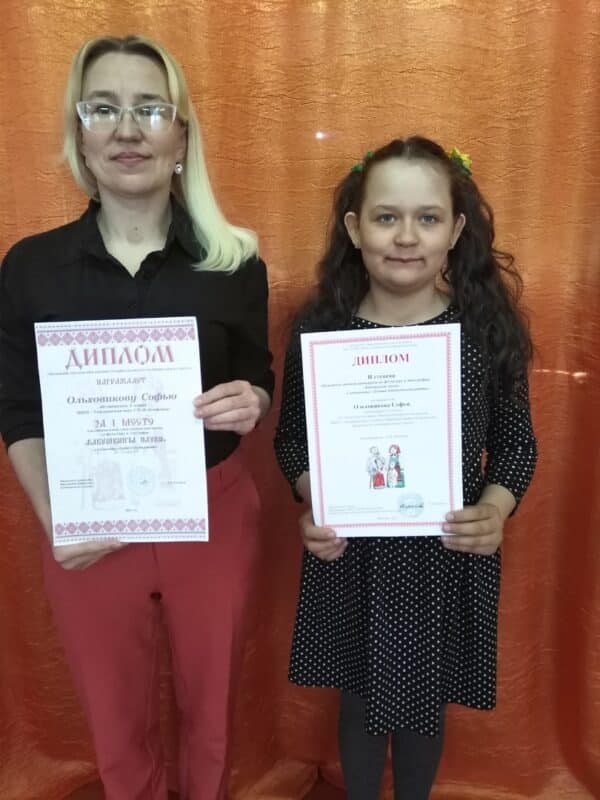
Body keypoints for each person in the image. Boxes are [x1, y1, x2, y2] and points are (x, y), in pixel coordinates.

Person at [0, 35, 273, 800]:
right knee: (114, 720)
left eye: (151, 110)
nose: (128, 129)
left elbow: (258, 377)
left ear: (180, 138)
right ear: (80, 134)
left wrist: (253, 401)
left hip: (213, 511)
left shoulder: (235, 261)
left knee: (212, 713)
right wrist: (56, 516)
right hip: (88, 515)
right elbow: (18, 406)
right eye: (104, 109)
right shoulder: (30, 266)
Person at [274, 136, 537, 800]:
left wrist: (494, 510)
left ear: (457, 230)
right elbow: (293, 441)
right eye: (387, 217)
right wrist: (316, 499)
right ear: (354, 227)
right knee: (359, 696)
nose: (406, 237)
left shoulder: (484, 332)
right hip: (351, 553)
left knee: (425, 701)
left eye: (428, 218)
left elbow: (516, 447)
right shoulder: (320, 331)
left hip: (443, 552)